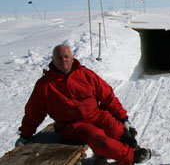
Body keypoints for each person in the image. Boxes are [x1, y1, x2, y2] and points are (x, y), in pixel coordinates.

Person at [15, 44, 151, 164]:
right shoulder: (45, 85)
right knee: (95, 136)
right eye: (59, 58)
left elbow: (108, 96)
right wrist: (25, 135)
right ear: (53, 60)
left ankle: (132, 146)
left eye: (66, 56)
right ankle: (131, 156)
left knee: (116, 127)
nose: (63, 60)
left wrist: (123, 119)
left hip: (95, 115)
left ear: (72, 57)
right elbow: (34, 112)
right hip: (71, 125)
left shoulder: (86, 75)